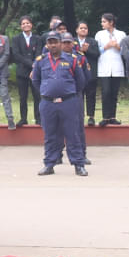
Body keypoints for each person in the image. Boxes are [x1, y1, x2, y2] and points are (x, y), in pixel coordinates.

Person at [32, 32, 87, 177]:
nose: (53, 45)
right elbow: (36, 81)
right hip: (48, 103)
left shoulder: (72, 59)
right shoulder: (40, 61)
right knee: (50, 135)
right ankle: (49, 164)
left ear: (61, 43)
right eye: (50, 42)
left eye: (55, 42)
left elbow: (80, 82)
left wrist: (68, 92)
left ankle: (78, 164)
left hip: (68, 102)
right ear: (46, 45)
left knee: (72, 133)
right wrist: (47, 92)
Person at [6, 17, 40, 128]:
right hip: (22, 71)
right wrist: (31, 64)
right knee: (23, 96)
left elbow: (39, 53)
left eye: (28, 23)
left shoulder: (37, 38)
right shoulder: (16, 39)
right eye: (23, 23)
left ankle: (38, 118)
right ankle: (23, 118)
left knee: (37, 96)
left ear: (31, 25)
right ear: (21, 26)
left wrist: (35, 65)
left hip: (35, 72)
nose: (26, 25)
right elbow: (16, 55)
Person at [94, 15, 126, 127]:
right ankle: (105, 117)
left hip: (117, 65)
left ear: (111, 22)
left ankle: (112, 117)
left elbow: (125, 51)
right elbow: (95, 50)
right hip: (104, 65)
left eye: (104, 21)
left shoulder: (121, 34)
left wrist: (117, 46)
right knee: (106, 91)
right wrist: (106, 46)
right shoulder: (99, 34)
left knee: (114, 93)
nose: (102, 24)